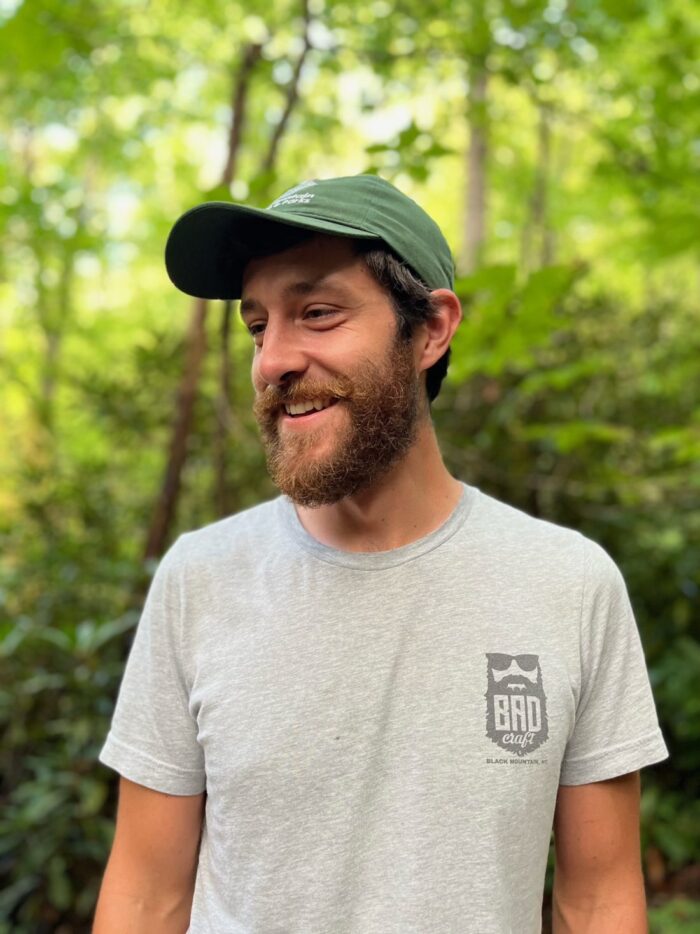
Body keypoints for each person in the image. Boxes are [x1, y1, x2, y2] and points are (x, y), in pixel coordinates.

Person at [94, 174, 668, 933]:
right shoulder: (200, 579)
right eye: (258, 326)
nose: (273, 360)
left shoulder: (569, 584)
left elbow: (597, 902)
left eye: (318, 313)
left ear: (430, 329)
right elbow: (145, 895)